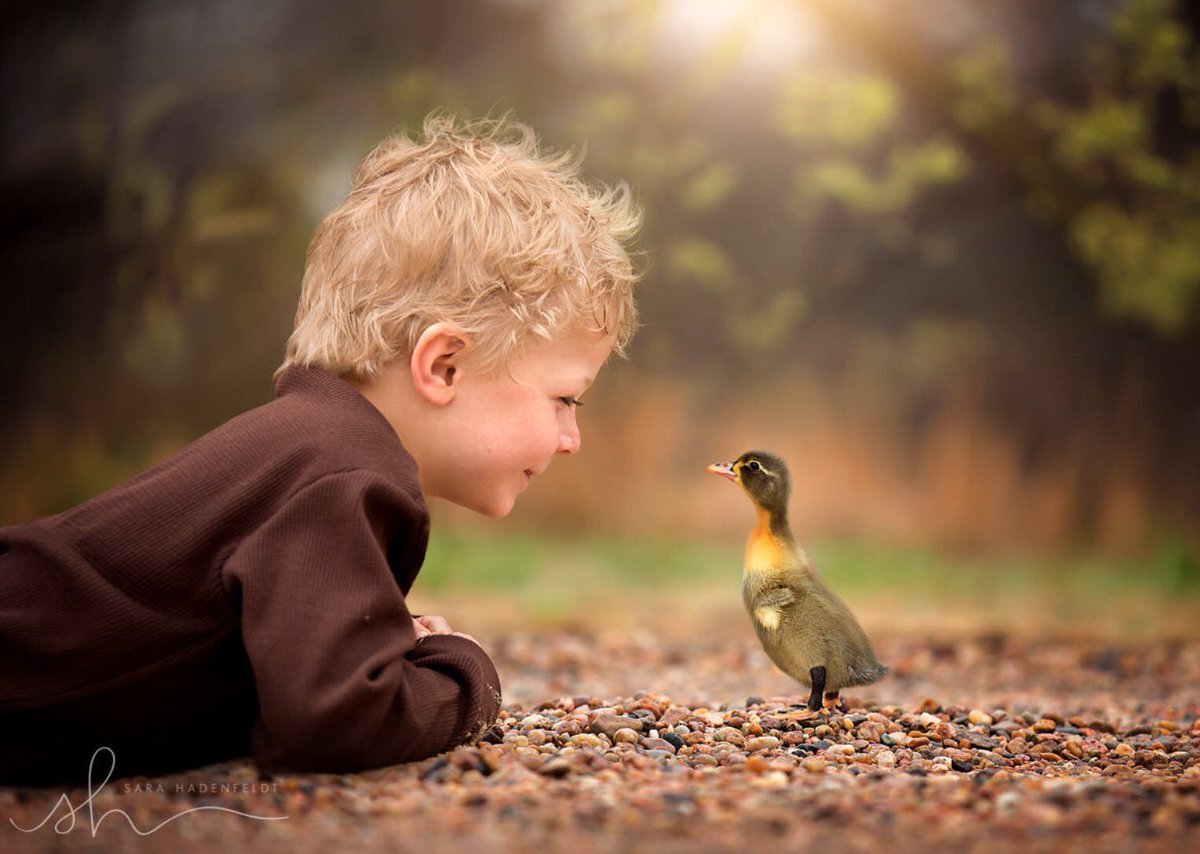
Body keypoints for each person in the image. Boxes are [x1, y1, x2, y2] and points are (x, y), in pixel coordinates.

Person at [0, 112, 640, 785]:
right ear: (444, 365)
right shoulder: (343, 475)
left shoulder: (309, 448)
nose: (572, 440)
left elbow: (266, 680)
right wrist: (461, 669)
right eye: (564, 400)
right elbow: (335, 723)